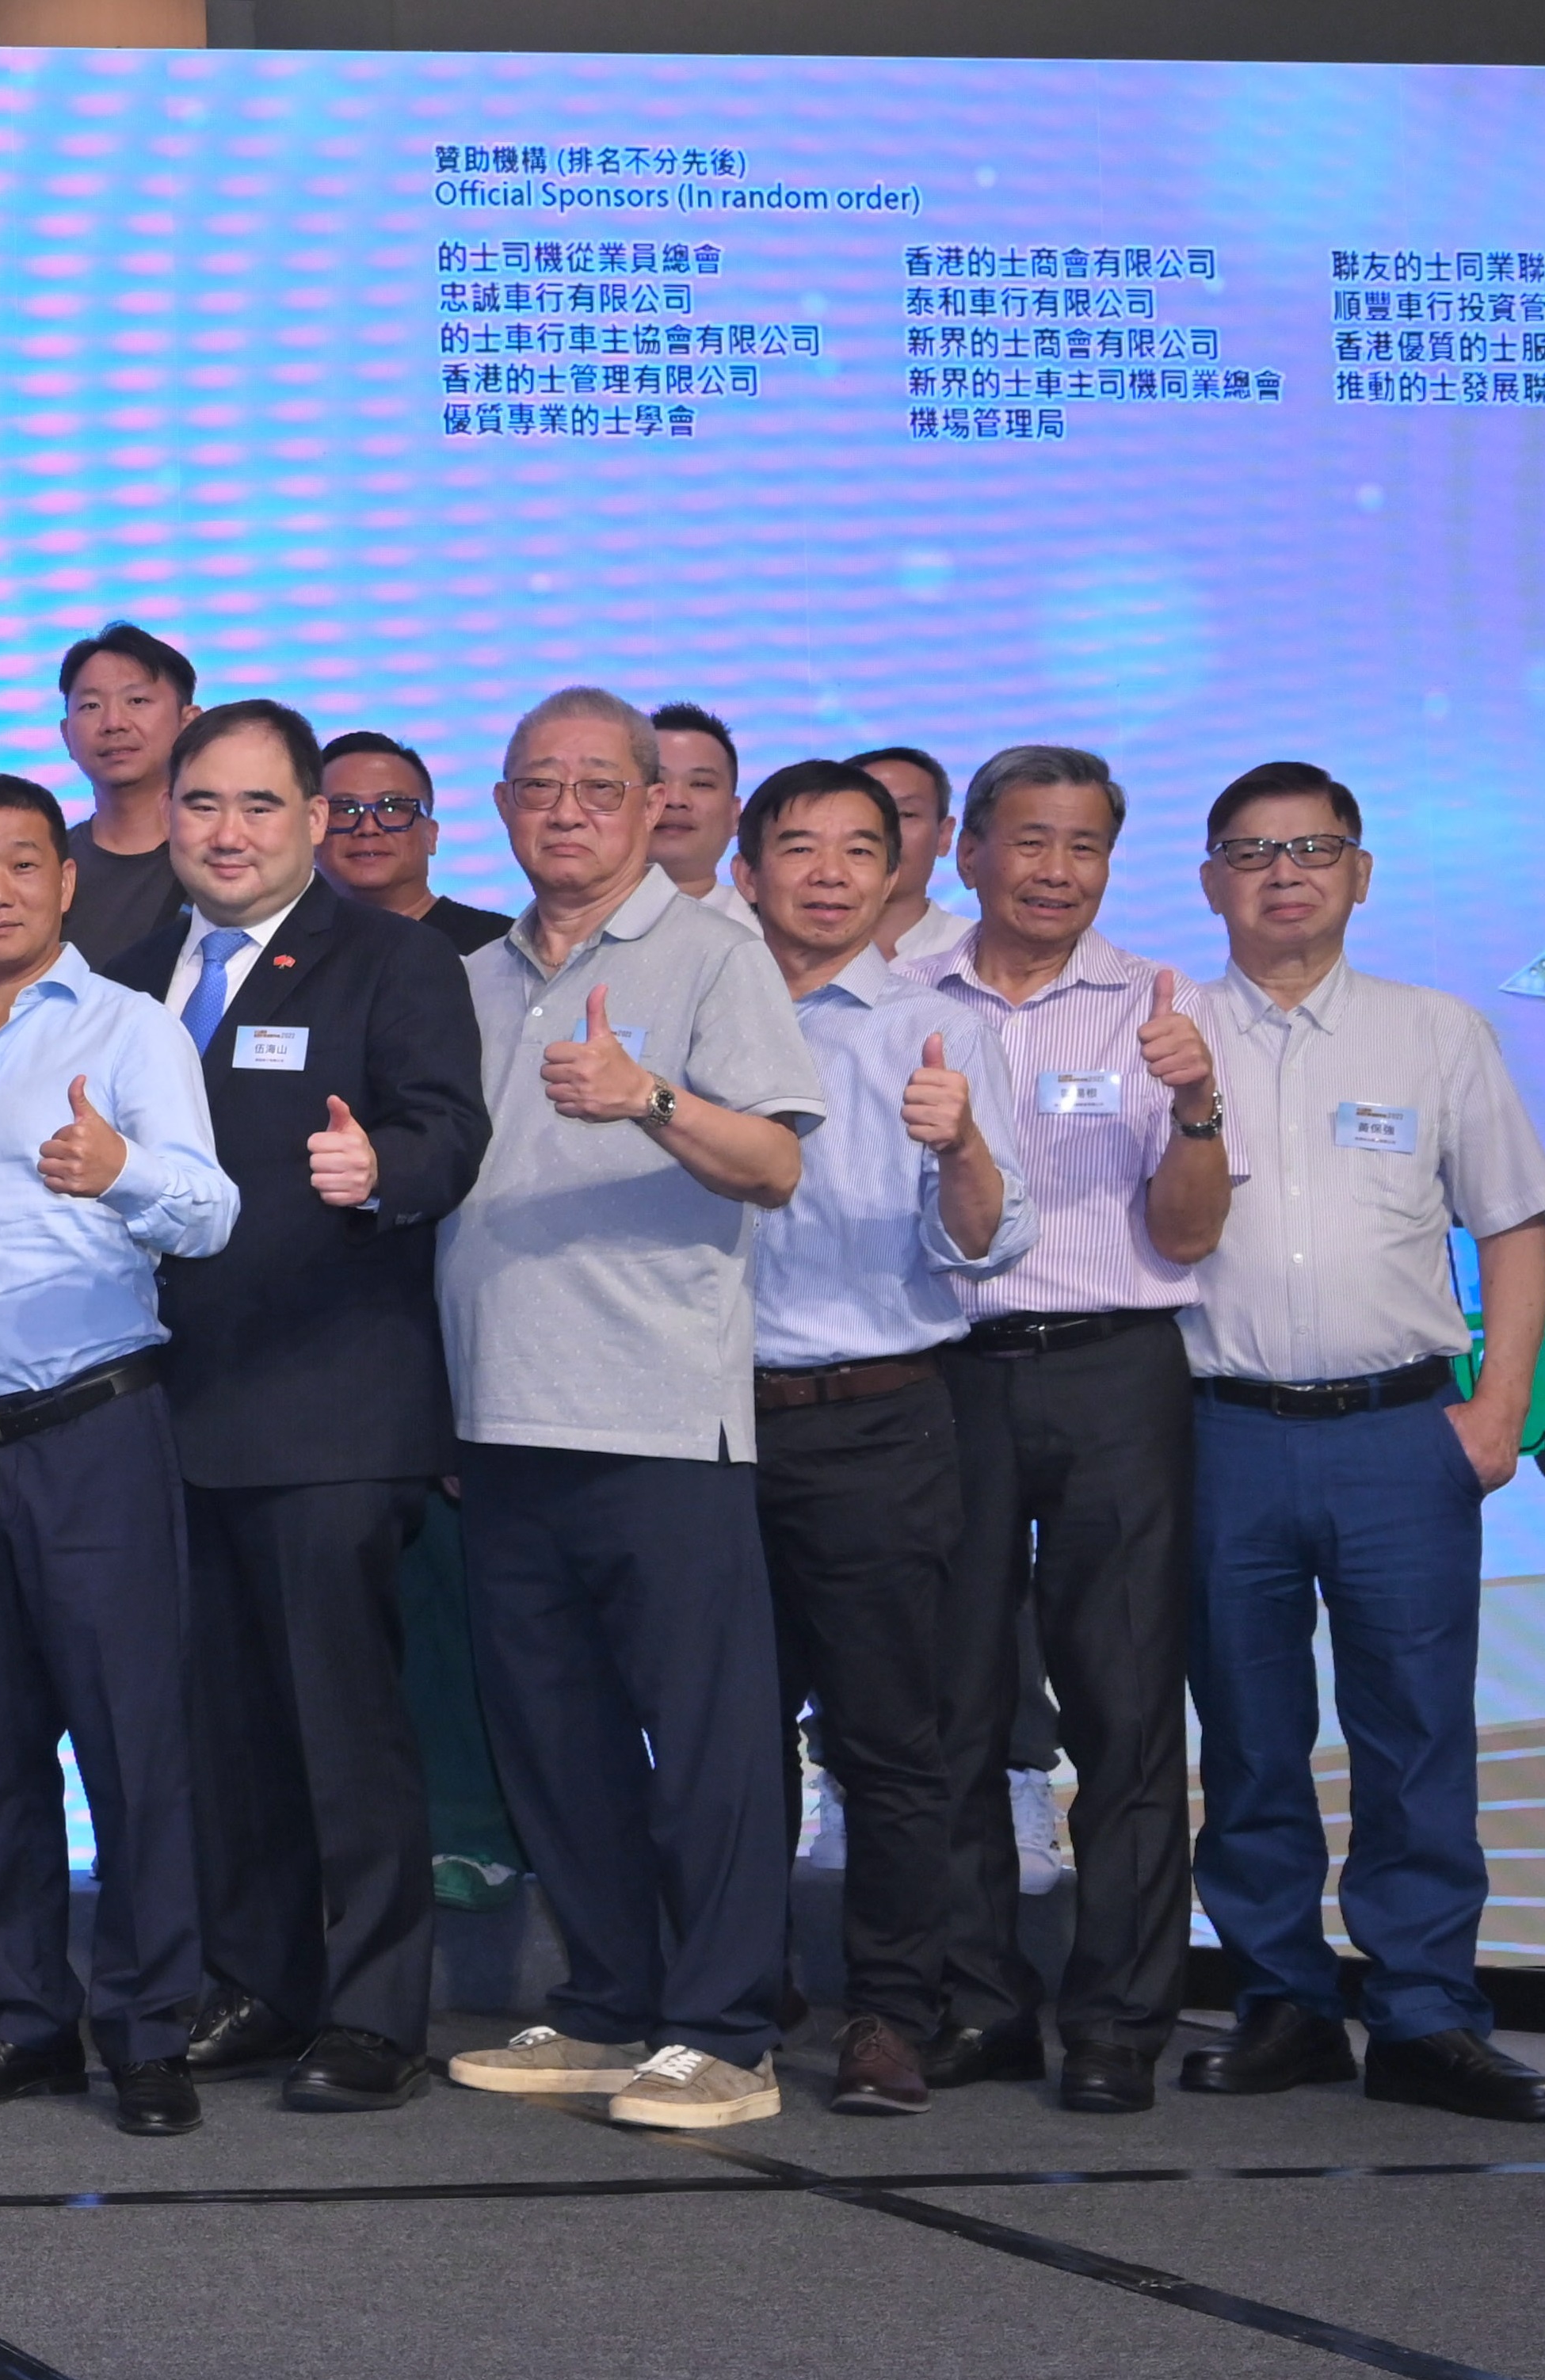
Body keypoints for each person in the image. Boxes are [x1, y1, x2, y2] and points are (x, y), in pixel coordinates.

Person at [93, 701, 495, 2114]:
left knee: (343, 1724)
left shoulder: (393, 959)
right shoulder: (126, 973)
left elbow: (452, 1130)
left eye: (259, 805)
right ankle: (253, 1982)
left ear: (314, 821)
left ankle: (375, 2009)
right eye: (202, 804)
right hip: (161, 1406)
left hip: (331, 1411)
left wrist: (378, 1163)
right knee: (222, 1729)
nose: (226, 832)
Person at [429, 687, 821, 2134]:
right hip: (498, 1420)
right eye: (537, 784)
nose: (567, 809)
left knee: (706, 1743)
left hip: (661, 1417)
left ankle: (723, 2030)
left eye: (599, 784)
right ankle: (605, 2004)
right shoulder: (469, 973)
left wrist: (648, 1095)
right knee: (552, 1737)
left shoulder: (716, 954)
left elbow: (776, 1164)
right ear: (503, 805)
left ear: (657, 802)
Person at [1170, 761, 1545, 2125]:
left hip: (1402, 1433)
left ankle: (1424, 2014)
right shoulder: (1161, 1031)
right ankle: (1280, 1997)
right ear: (1210, 877)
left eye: (1313, 848)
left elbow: (1510, 1223)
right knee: (1246, 1732)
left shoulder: (1434, 1032)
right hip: (1218, 1432)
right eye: (1252, 850)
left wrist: (1496, 1411)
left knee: (1412, 1736)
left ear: (1359, 872)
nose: (1283, 873)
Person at [0, 774, 237, 2137]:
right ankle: (23, 2019)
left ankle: (148, 2030)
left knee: (129, 1743)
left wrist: (120, 1171)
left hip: (93, 1422)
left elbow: (208, 1212)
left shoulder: (128, 1028)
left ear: (65, 881)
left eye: (21, 866)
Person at [729, 761, 1037, 2119]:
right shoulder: (697, 1015)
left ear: (896, 873)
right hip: (706, 1419)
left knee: (887, 1740)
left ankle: (888, 2017)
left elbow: (987, 1239)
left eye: (859, 849)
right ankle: (731, 2002)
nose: (830, 874)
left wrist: (958, 1143)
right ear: (748, 871)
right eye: (799, 848)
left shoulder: (936, 1028)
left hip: (876, 1416)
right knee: (725, 1735)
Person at [920, 743, 1223, 2114]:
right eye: (1028, 841)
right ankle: (981, 2002)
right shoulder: (901, 997)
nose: (1054, 871)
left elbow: (1186, 1230)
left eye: (1084, 846)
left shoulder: (1161, 1010)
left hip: (1115, 1374)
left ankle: (1116, 2022)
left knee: (1124, 1707)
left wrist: (1199, 1104)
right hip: (947, 1374)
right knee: (956, 1705)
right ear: (969, 851)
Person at [52, 623, 196, 968]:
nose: (114, 722)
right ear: (67, 735)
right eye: (90, 706)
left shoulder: (223, 859)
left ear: (189, 723)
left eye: (137, 700)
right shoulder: (47, 869)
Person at [312, 730, 510, 956]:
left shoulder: (503, 949)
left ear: (431, 835)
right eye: (345, 810)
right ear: (311, 835)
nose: (368, 828)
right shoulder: (283, 954)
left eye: (391, 808)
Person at [850, 744, 972, 971]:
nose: (885, 832)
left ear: (944, 835)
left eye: (906, 814)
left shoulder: (976, 950)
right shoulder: (780, 950)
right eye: (867, 813)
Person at [647, 703, 748, 917]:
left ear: (735, 816)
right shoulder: (570, 923)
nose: (675, 800)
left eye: (701, 784)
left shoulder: (769, 931)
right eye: (656, 781)